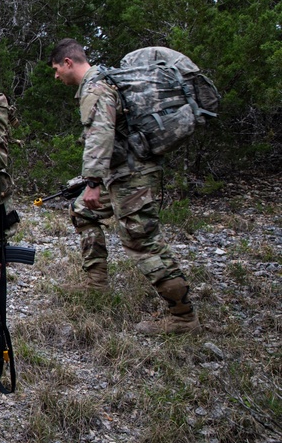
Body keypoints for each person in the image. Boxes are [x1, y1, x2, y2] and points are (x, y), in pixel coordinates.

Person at [49, 38, 199, 335]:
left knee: (141, 241)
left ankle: (183, 316)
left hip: (132, 176)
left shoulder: (96, 88)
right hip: (121, 173)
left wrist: (92, 182)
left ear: (68, 63)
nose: (56, 76)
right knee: (83, 212)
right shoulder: (106, 82)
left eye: (56, 69)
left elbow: (100, 136)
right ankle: (96, 284)